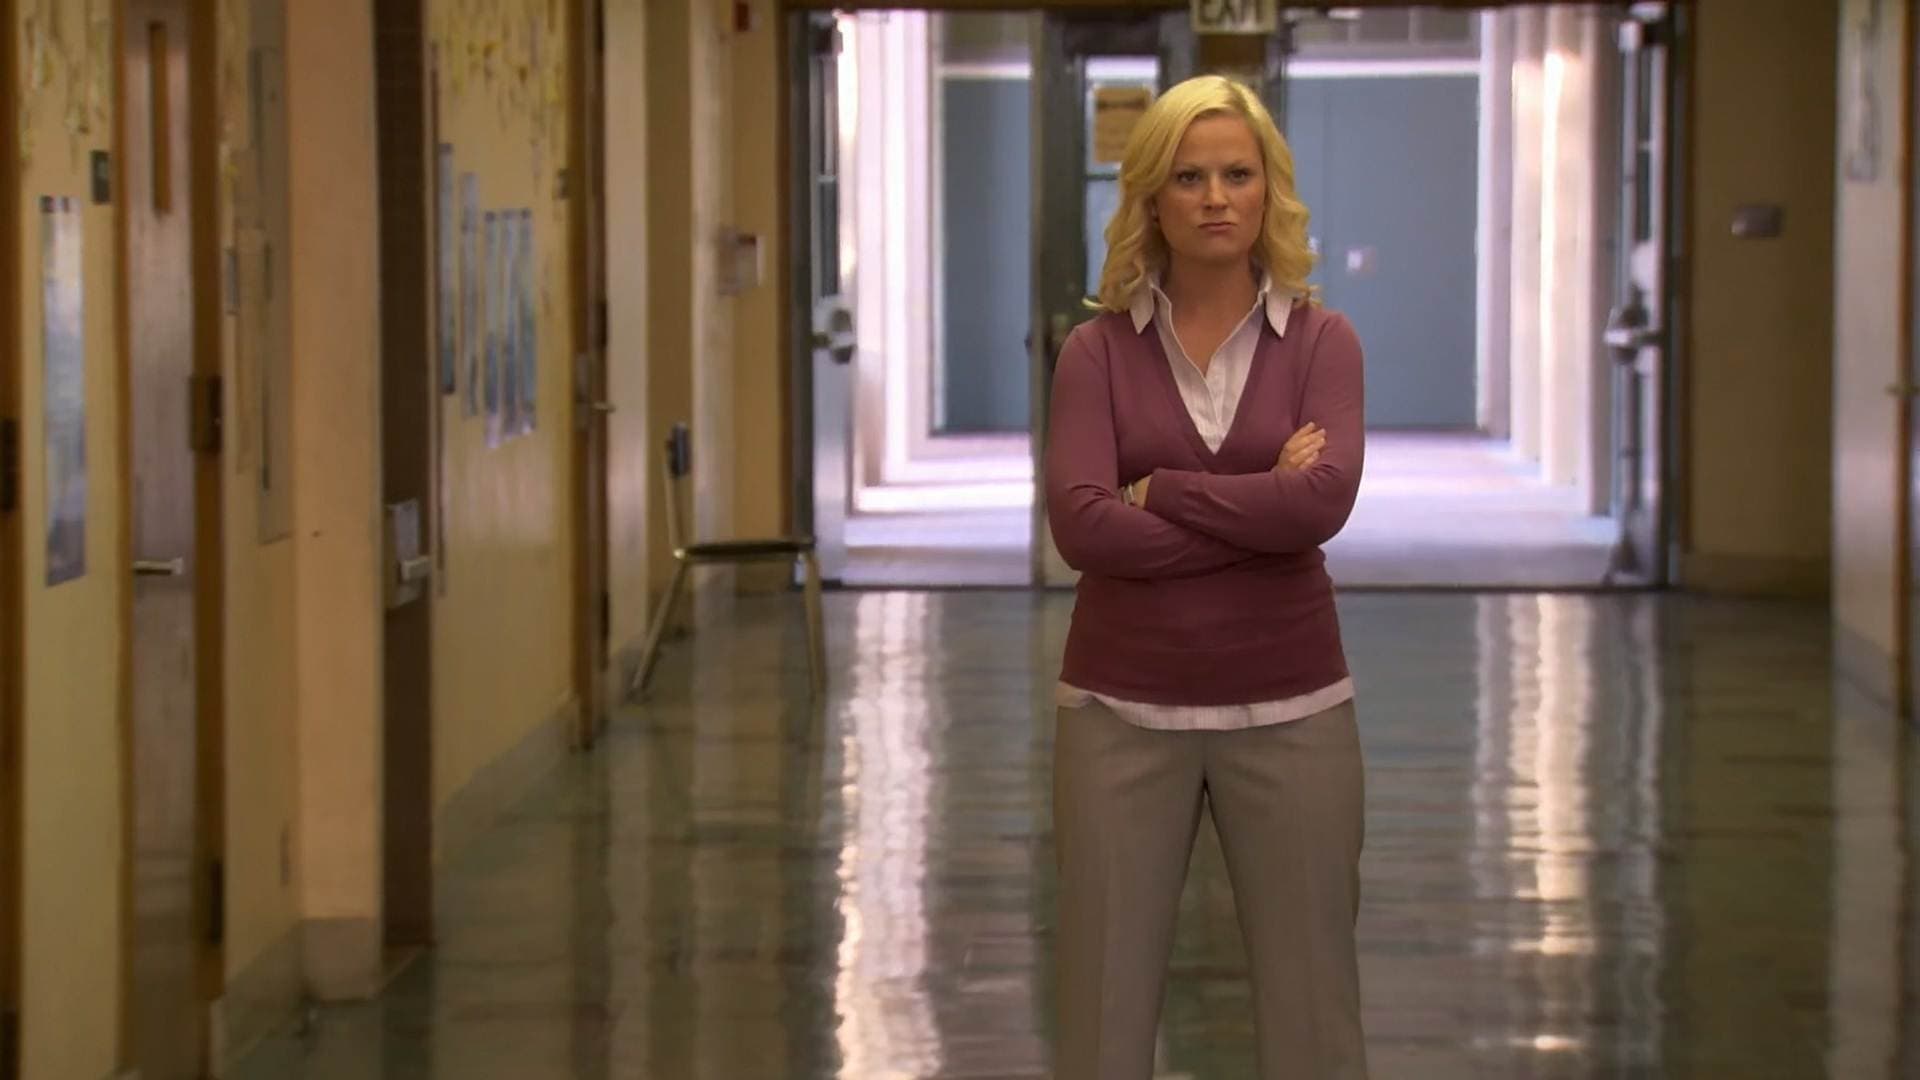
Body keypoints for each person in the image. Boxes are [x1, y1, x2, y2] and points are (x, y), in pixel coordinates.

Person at [1044, 73, 1369, 1080]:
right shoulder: (1095, 352)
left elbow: (1322, 506)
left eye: (1238, 174)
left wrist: (1163, 493)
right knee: (1101, 1010)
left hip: (1294, 704)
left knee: (1314, 1011)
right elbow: (1083, 529)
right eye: (1189, 177)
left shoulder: (1323, 343)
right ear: (1152, 197)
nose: (1216, 197)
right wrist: (1261, 510)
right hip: (1120, 707)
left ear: (1270, 190)